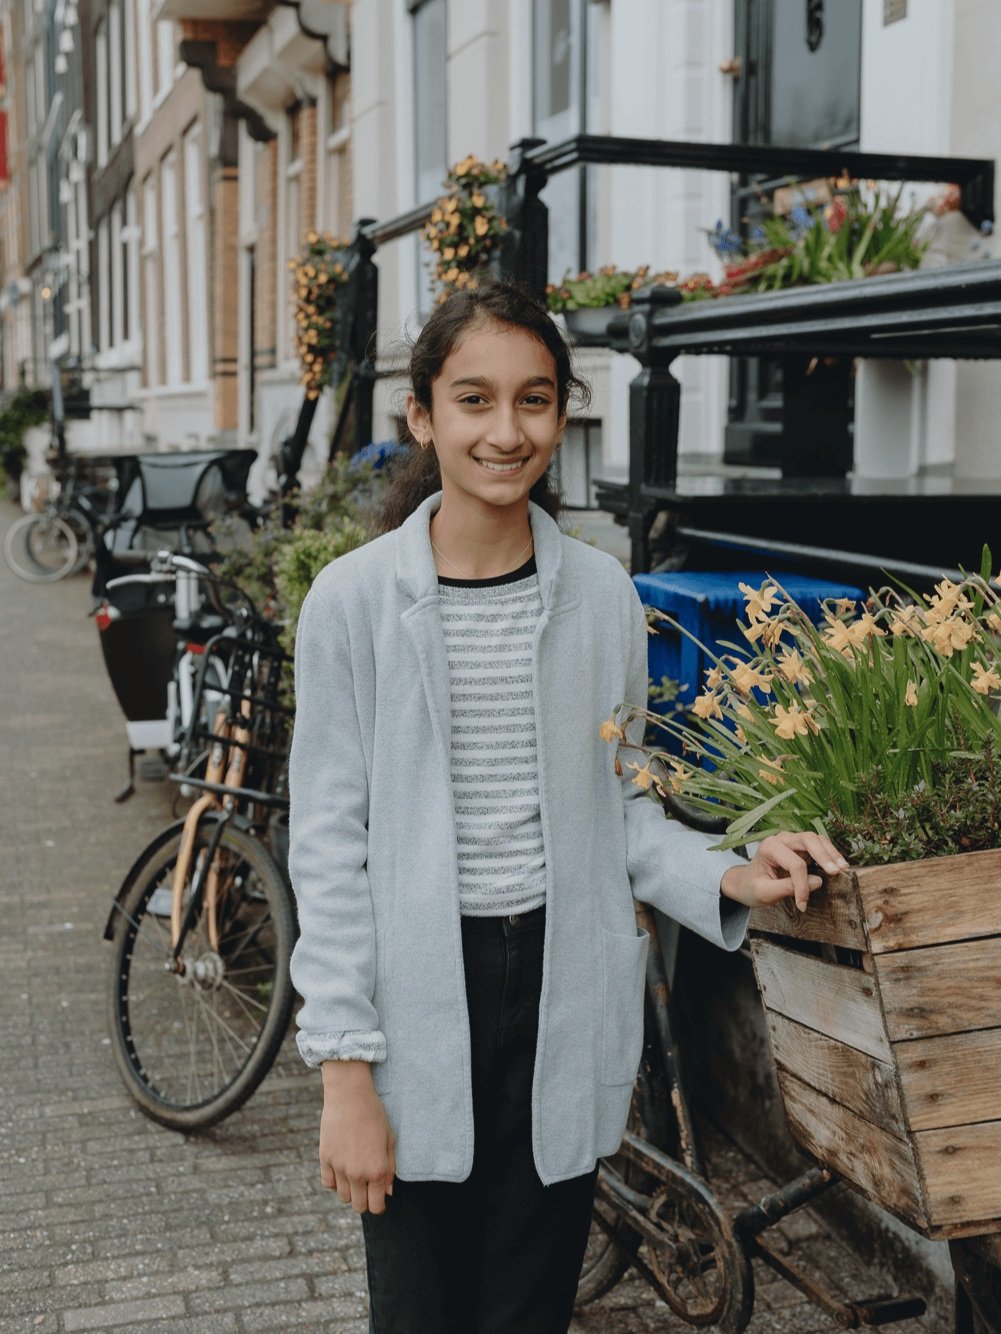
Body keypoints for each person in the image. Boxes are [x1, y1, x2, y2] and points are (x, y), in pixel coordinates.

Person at [287, 280, 848, 1333]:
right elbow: (326, 846)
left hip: (559, 986)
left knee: (527, 1308)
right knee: (415, 1310)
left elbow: (623, 809)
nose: (506, 431)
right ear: (421, 415)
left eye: (533, 400)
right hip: (415, 995)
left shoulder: (602, 596)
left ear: (560, 411)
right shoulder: (353, 602)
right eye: (473, 399)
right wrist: (344, 1073)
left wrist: (731, 869)